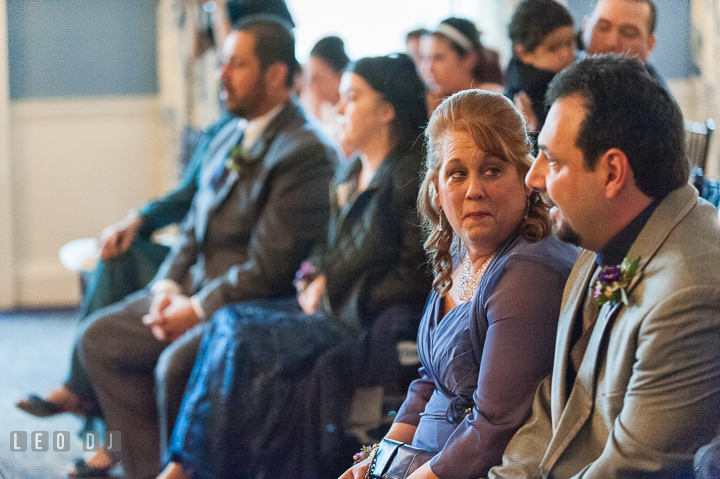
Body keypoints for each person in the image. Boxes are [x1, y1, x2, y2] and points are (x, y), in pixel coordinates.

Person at [66, 17, 340, 479]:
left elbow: (270, 267)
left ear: (275, 74)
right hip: (189, 291)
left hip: (245, 305)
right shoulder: (229, 136)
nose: (221, 74)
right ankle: (146, 466)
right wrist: (166, 289)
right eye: (223, 63)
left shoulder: (305, 151)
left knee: (173, 365)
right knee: (99, 339)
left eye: (237, 64)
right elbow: (192, 228)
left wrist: (194, 310)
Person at [157, 53, 432, 479]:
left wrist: (337, 292)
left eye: (352, 97)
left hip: (362, 322)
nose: (339, 109)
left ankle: (185, 469)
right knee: (228, 322)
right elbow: (323, 247)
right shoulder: (349, 172)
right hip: (325, 307)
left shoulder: (409, 178)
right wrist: (311, 276)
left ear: (387, 110)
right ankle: (188, 467)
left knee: (243, 338)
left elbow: (417, 274)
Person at [488, 54, 720, 478]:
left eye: (553, 161)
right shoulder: (598, 236)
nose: (533, 178)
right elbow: (551, 408)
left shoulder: (690, 294)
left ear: (613, 172)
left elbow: (633, 469)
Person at [342, 89, 577, 479]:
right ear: (436, 189)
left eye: (492, 170)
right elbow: (428, 379)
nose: (473, 189)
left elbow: (496, 427)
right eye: (457, 173)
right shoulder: (460, 250)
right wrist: (382, 459)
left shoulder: (528, 272)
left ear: (525, 177)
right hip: (430, 459)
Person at [505, 0, 575, 134]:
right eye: (553, 48)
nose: (566, 54)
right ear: (523, 53)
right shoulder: (535, 91)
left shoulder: (514, 74)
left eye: (570, 42)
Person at [421, 17, 504, 113]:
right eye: (423, 58)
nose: (428, 69)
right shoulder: (432, 104)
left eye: (438, 58)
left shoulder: (494, 101)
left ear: (469, 59)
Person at [581, 0, 665, 85]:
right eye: (603, 27)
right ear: (585, 28)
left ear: (650, 44)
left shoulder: (656, 95)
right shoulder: (568, 63)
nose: (611, 43)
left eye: (629, 33)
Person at [300, 36, 350, 138]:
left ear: (340, 77)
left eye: (316, 79)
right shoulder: (329, 114)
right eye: (309, 80)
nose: (311, 87)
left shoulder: (350, 119)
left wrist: (315, 115)